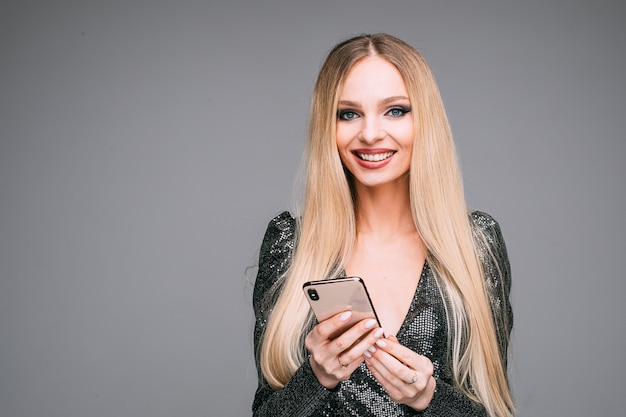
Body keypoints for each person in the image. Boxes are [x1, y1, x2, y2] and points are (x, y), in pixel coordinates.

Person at [252, 33, 514, 417]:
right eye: (348, 113)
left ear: (424, 119)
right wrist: (316, 378)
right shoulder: (290, 243)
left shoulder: (476, 244)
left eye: (395, 110)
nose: (371, 133)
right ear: (329, 126)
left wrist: (429, 398)